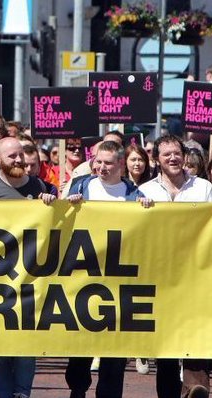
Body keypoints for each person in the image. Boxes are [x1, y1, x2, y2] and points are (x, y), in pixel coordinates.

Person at [0, 137, 55, 398]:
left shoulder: (39, 186)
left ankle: (22, 393)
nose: (19, 161)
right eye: (12, 157)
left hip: (30, 279)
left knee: (26, 344)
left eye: (21, 155)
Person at [138, 135, 212, 398]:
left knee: (195, 331)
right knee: (167, 344)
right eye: (166, 155)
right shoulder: (145, 191)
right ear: (157, 160)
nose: (173, 158)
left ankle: (196, 386)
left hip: (195, 272)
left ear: (184, 155)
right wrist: (140, 210)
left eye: (177, 153)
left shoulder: (203, 187)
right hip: (161, 275)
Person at [64, 141, 143, 398]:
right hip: (83, 279)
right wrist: (67, 207)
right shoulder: (81, 186)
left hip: (119, 283)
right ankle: (78, 389)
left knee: (114, 354)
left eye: (108, 162)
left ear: (121, 164)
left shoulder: (135, 195)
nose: (101, 167)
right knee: (79, 351)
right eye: (98, 161)